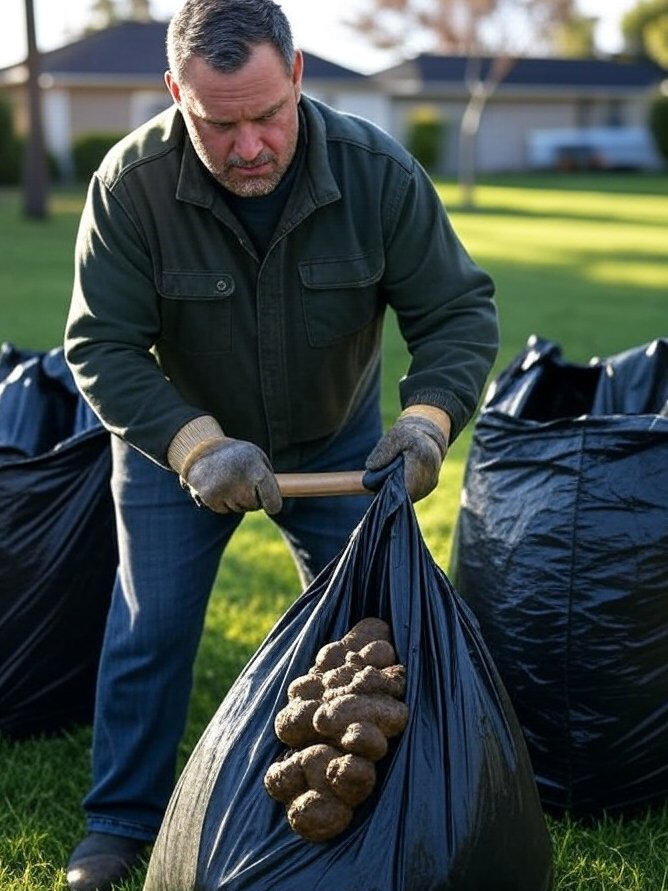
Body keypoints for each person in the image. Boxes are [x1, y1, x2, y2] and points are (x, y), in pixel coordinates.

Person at [63, 0, 498, 887]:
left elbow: (456, 313)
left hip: (339, 442)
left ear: (297, 76)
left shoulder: (380, 174)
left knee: (370, 633)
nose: (249, 145)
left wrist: (425, 423)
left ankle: (369, 815)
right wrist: (196, 447)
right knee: (152, 627)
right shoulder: (129, 185)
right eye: (218, 124)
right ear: (175, 93)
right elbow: (100, 345)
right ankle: (119, 820)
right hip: (178, 447)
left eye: (267, 114)